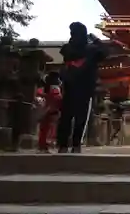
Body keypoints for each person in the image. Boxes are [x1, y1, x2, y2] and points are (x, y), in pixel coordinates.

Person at [57, 22, 108, 153]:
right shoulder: (91, 50)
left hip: (70, 86)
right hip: (85, 87)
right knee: (81, 116)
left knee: (66, 116)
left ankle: (62, 145)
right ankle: (76, 145)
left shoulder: (67, 49)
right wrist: (96, 40)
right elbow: (105, 53)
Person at [36, 72, 62, 153]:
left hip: (44, 110)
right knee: (50, 130)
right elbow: (58, 99)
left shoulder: (43, 89)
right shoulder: (56, 89)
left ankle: (42, 146)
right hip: (52, 111)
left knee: (43, 130)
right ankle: (45, 146)